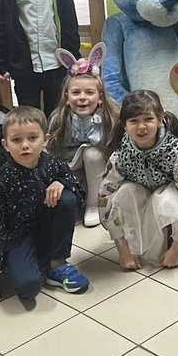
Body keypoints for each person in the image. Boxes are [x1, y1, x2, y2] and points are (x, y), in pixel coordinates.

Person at [0, 106, 89, 309]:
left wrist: (62, 183)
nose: (25, 146)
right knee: (28, 288)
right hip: (17, 237)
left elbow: (77, 189)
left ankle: (57, 263)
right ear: (5, 145)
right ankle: (30, 261)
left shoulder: (53, 164)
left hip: (48, 228)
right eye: (16, 140)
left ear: (45, 139)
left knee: (67, 199)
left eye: (32, 138)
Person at [98, 90, 178, 270]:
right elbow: (105, 195)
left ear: (160, 120)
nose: (141, 127)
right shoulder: (121, 154)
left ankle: (173, 241)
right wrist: (122, 247)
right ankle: (130, 245)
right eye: (134, 121)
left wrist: (177, 246)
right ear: (124, 124)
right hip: (140, 197)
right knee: (125, 193)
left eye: (148, 119)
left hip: (169, 201)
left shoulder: (176, 153)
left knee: (163, 199)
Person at [46, 48, 118, 227]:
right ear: (67, 97)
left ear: (100, 97)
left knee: (91, 153)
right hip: (70, 167)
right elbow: (53, 150)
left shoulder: (108, 118)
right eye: (76, 92)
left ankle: (94, 205)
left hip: (100, 168)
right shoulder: (59, 119)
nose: (82, 98)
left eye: (89, 93)